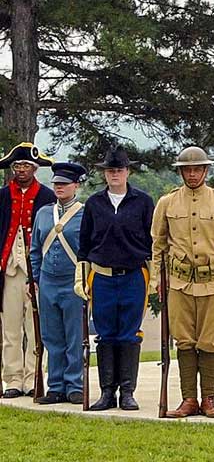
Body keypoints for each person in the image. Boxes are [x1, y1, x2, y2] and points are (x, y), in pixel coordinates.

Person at [151, 146, 214, 418]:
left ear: (205, 170)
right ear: (180, 172)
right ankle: (188, 399)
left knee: (209, 342)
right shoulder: (167, 203)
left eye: (197, 169)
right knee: (184, 341)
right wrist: (156, 278)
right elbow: (158, 244)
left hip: (213, 283)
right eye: (187, 170)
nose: (192, 174)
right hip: (179, 284)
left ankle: (209, 399)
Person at [75, 145, 155, 411]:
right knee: (106, 334)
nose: (115, 175)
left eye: (119, 170)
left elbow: (152, 240)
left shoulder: (143, 202)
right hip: (102, 277)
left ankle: (128, 392)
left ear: (128, 172)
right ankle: (107, 391)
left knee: (129, 334)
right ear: (105, 174)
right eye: (110, 171)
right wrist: (81, 275)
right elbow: (84, 244)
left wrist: (154, 277)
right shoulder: (94, 204)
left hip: (134, 276)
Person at [0, 142, 56, 398]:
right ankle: (12, 379)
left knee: (36, 328)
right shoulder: (2, 196)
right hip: (9, 268)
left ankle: (34, 377)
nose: (21, 170)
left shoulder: (47, 197)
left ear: (34, 169)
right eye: (18, 166)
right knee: (11, 328)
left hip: (37, 270)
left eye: (26, 166)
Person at [29, 162, 88, 405]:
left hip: (72, 282)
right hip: (47, 282)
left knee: (74, 336)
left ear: (76, 185)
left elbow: (87, 251)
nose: (59, 187)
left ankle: (75, 385)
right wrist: (34, 279)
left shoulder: (85, 214)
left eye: (64, 184)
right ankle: (55, 386)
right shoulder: (44, 213)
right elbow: (35, 250)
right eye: (56, 184)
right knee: (51, 336)